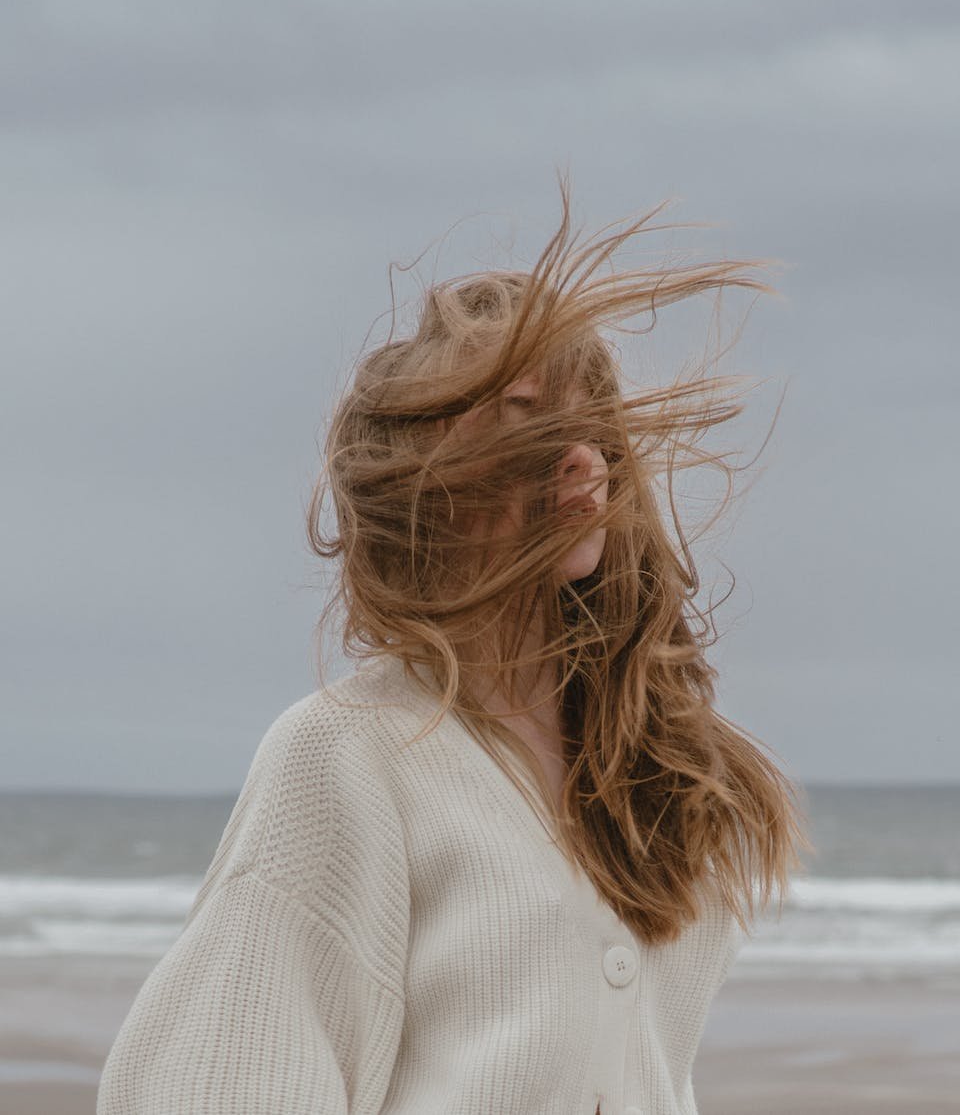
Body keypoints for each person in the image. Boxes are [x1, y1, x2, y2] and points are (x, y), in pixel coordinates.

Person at [96, 185, 804, 1115]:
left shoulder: (654, 771)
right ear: (422, 470)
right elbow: (218, 1081)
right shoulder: (346, 754)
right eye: (520, 412)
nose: (579, 454)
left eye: (589, 422)